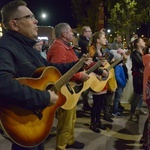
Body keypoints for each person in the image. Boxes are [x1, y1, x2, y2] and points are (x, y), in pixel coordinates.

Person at [0, 1, 92, 150]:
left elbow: (50, 68)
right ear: (14, 25)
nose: (36, 21)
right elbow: (2, 84)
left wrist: (77, 65)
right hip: (23, 123)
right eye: (29, 17)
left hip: (37, 119)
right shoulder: (5, 46)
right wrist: (44, 98)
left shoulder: (27, 47)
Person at [47, 23, 106, 149]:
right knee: (65, 121)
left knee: (71, 119)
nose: (73, 34)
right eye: (70, 32)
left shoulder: (66, 47)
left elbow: (75, 66)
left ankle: (70, 140)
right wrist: (79, 76)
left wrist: (86, 64)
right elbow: (59, 71)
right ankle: (61, 146)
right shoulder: (58, 48)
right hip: (64, 90)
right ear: (64, 34)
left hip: (71, 88)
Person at [88, 31, 112, 133]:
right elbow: (89, 65)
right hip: (95, 79)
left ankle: (98, 121)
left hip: (102, 80)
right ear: (98, 40)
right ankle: (93, 123)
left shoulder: (101, 50)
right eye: (103, 37)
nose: (105, 39)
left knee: (101, 103)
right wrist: (100, 69)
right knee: (96, 103)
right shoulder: (92, 50)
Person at [130, 38, 147, 122]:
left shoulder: (141, 53)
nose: (144, 42)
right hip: (138, 77)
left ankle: (138, 108)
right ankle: (132, 113)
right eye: (142, 41)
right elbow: (142, 63)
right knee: (137, 95)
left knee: (140, 94)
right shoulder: (135, 53)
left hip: (142, 76)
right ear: (138, 44)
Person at [78, 26, 93, 111]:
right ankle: (85, 103)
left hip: (87, 62)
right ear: (84, 33)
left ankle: (85, 103)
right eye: (89, 31)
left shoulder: (86, 40)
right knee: (85, 84)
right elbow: (90, 48)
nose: (90, 33)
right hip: (84, 64)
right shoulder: (83, 41)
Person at [110, 50, 128, 116]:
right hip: (120, 85)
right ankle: (115, 111)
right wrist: (122, 83)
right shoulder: (118, 67)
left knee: (118, 98)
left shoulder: (120, 66)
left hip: (121, 84)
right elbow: (117, 76)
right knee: (117, 99)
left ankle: (116, 109)